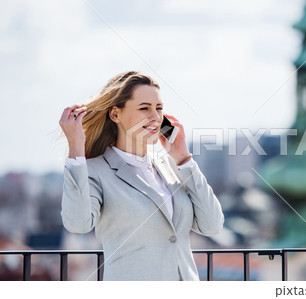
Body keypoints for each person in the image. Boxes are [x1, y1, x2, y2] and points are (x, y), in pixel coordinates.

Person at [58, 71, 224, 281]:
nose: (155, 117)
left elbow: (213, 225)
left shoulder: (172, 166)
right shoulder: (94, 170)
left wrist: (183, 158)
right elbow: (78, 224)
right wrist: (75, 148)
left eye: (159, 108)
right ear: (115, 115)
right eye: (144, 108)